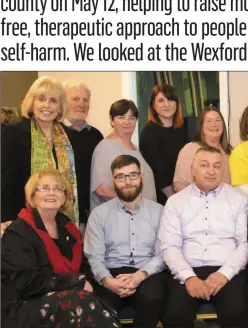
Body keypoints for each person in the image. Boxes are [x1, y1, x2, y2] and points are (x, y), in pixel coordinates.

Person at [1, 169, 121, 328]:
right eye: (44, 188)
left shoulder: (69, 229)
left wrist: (107, 280)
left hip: (67, 298)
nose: (51, 192)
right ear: (32, 196)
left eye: (58, 188)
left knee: (90, 300)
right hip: (23, 305)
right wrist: (75, 282)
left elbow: (83, 267)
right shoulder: (18, 231)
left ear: (65, 197)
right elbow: (26, 282)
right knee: (80, 301)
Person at [158, 146, 248, 328]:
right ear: (193, 169)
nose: (211, 171)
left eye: (217, 166)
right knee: (173, 317)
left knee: (237, 313)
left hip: (227, 269)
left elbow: (245, 244)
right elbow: (169, 246)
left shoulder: (239, 200)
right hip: (187, 268)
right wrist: (188, 277)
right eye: (204, 165)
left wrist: (224, 274)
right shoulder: (176, 202)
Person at [83, 155, 167, 328]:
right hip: (111, 272)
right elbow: (94, 256)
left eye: (133, 175)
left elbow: (164, 254)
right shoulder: (99, 214)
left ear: (141, 177)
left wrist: (140, 275)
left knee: (153, 296)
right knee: (102, 303)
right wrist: (107, 280)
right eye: (121, 177)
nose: (127, 182)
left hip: (147, 272)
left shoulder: (160, 212)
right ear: (113, 181)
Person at [1, 77, 80, 227]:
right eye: (41, 99)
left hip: (62, 221)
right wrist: (5, 219)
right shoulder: (13, 133)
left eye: (53, 101)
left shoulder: (70, 137)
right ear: (32, 102)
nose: (47, 105)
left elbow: (75, 182)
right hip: (20, 221)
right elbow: (4, 182)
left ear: (60, 107)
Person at [90, 100, 156, 211]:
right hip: (120, 219)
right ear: (111, 120)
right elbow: (102, 190)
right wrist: (133, 206)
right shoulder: (105, 146)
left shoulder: (135, 148)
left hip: (143, 217)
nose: (127, 122)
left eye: (131, 118)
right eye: (121, 117)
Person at [63, 80, 104, 232]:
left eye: (85, 100)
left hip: (92, 213)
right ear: (64, 102)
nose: (81, 104)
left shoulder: (96, 135)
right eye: (75, 99)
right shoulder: (56, 133)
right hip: (64, 214)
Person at [140, 84, 189, 205]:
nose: (167, 104)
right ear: (153, 106)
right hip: (165, 200)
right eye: (161, 100)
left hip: (186, 194)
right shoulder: (149, 132)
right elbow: (158, 173)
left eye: (171, 99)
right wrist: (174, 199)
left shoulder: (185, 128)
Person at [174, 106, 232, 192]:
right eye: (208, 121)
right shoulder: (190, 149)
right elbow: (179, 184)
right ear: (201, 125)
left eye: (217, 120)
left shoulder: (230, 151)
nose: (214, 124)